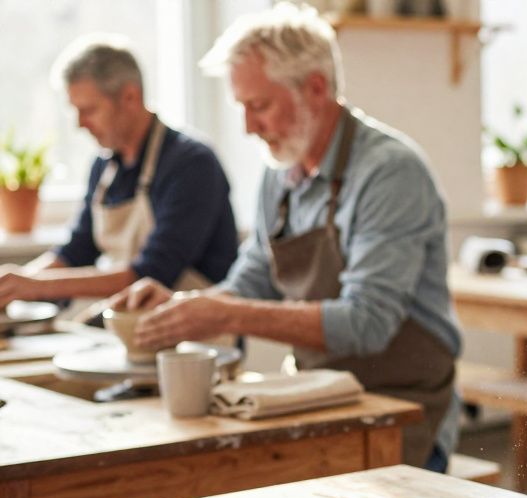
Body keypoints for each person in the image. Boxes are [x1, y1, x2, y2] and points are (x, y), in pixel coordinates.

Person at [111, 3, 461, 470]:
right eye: (243, 108)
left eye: (260, 106)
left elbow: (367, 323)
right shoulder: (281, 172)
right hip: (318, 393)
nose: (248, 127)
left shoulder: (390, 172)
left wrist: (223, 312)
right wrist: (181, 311)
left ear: (316, 89)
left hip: (401, 406)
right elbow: (251, 280)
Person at [0, 36, 237, 314]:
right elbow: (76, 252)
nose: (79, 124)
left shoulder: (193, 164)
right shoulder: (104, 167)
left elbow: (151, 273)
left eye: (88, 110)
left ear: (130, 97)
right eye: (75, 111)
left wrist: (36, 286)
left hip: (196, 336)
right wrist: (15, 284)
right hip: (132, 324)